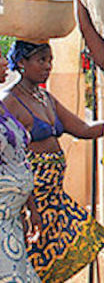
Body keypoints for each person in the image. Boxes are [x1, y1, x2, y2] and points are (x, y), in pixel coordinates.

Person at [1, 40, 104, 282]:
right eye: (41, 60)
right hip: (32, 201)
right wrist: (27, 204)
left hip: (55, 198)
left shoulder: (45, 98)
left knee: (82, 244)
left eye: (50, 60)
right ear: (21, 63)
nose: (48, 66)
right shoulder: (9, 102)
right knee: (30, 264)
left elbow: (82, 128)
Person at [0, 51, 42, 282]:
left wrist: (30, 208)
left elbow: (18, 159)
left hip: (12, 223)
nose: (6, 61)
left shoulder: (2, 107)